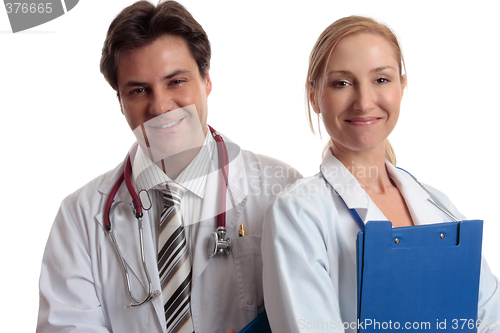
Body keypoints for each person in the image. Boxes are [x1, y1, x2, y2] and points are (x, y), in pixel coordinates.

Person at [36, 1, 301, 332]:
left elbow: (310, 315)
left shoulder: (283, 188)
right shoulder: (80, 218)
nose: (160, 106)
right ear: (120, 102)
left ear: (206, 81)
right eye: (138, 90)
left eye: (175, 81)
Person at [262, 16, 500, 333]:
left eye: (382, 80)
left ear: (402, 86)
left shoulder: (437, 204)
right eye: (341, 83)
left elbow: (490, 317)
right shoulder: (299, 212)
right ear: (314, 95)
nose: (363, 102)